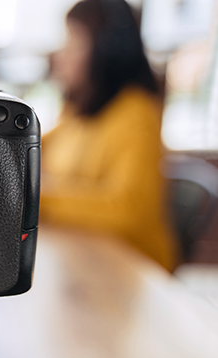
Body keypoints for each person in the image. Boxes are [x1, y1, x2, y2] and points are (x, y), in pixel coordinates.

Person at [41, 0, 178, 271]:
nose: (60, 55)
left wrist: (38, 200)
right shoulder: (78, 113)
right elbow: (34, 146)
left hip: (133, 270)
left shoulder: (136, 114)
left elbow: (125, 211)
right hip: (83, 259)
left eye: (73, 42)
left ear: (105, 51)